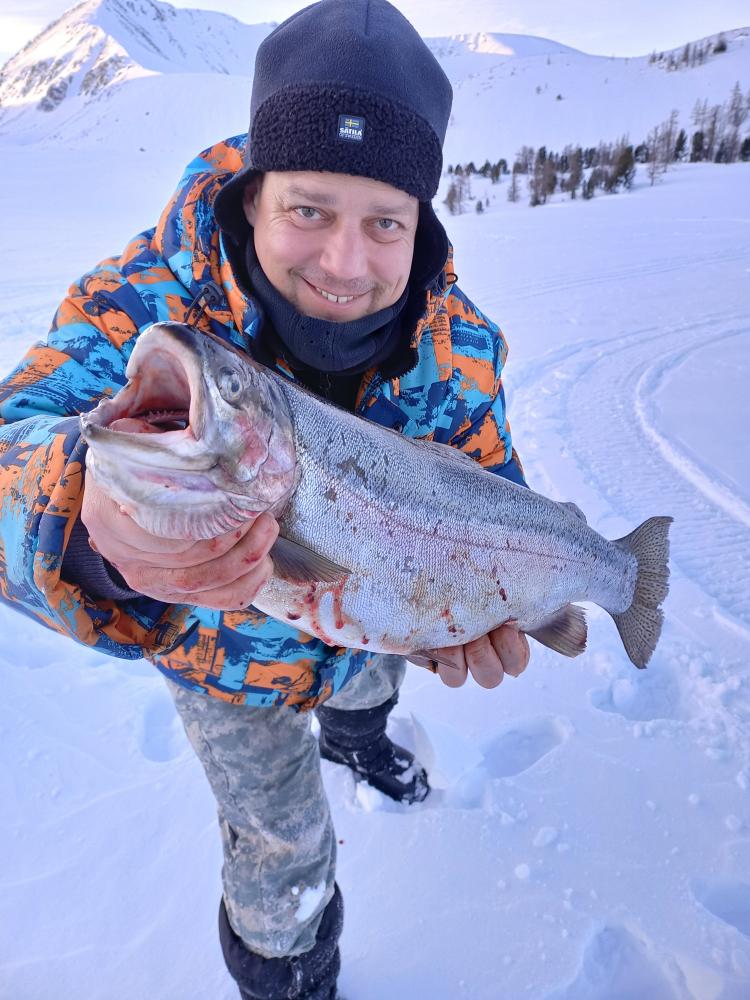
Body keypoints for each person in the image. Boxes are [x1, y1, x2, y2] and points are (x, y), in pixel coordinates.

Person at [0, 1, 530, 997]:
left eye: (385, 222)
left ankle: (362, 736)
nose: (343, 263)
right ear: (253, 197)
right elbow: (11, 437)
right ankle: (292, 976)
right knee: (280, 853)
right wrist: (82, 512)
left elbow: (494, 479)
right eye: (309, 210)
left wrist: (486, 577)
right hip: (225, 665)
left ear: (421, 226)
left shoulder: (462, 348)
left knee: (372, 681)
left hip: (378, 620)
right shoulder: (147, 308)